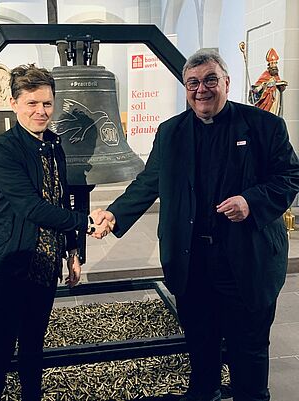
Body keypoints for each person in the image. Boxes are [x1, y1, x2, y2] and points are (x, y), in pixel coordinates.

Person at [90, 49, 299, 401]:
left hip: (246, 261)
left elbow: (289, 176)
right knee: (201, 345)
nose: (201, 89)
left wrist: (251, 201)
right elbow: (149, 181)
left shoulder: (264, 126)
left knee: (247, 349)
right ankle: (205, 392)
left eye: (210, 80)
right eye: (193, 83)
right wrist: (114, 214)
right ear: (186, 88)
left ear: (226, 83)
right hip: (192, 262)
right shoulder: (171, 132)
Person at [0, 63, 109, 401]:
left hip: (44, 263)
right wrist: (88, 224)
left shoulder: (53, 144)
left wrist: (73, 252)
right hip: (8, 262)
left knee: (34, 349)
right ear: (14, 103)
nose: (41, 111)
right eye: (32, 103)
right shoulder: (3, 149)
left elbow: (61, 196)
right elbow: (31, 207)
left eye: (47, 103)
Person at [249, 48, 287, 116]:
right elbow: (257, 88)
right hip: (267, 103)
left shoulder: (276, 76)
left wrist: (281, 87)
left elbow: (279, 89)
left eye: (275, 63)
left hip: (275, 103)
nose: (274, 65)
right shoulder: (265, 75)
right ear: (269, 65)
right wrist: (264, 87)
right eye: (272, 63)